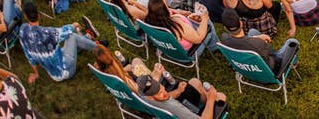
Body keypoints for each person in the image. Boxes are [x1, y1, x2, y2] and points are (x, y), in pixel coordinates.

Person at [90, 45, 225, 119]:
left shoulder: (141, 94)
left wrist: (155, 74)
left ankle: (203, 100)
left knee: (136, 62)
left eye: (161, 87)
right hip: (189, 112)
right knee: (213, 92)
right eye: (161, 89)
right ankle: (205, 102)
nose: (164, 90)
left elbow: (154, 95)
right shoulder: (170, 105)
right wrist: (211, 99)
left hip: (162, 108)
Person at [18, 1, 101, 83]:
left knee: (71, 43)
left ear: (25, 16)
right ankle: (100, 49)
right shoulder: (47, 33)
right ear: (38, 14)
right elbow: (64, 32)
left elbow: (29, 57)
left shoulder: (22, 31)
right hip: (66, 69)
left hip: (54, 74)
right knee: (72, 37)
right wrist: (73, 25)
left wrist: (36, 74)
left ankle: (89, 35)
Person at [219, 8, 300, 75]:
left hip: (244, 66)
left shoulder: (224, 39)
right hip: (269, 70)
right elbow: (270, 53)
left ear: (225, 28)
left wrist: (255, 38)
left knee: (252, 32)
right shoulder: (258, 43)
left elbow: (243, 41)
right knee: (292, 41)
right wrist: (259, 40)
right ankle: (293, 64)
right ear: (241, 23)